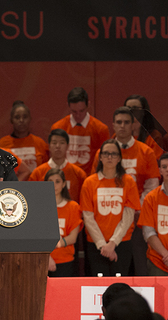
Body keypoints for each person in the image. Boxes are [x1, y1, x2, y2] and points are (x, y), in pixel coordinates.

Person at [90, 106, 160, 275]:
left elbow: (152, 186)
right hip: (106, 221)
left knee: (138, 267)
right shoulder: (102, 152)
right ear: (113, 124)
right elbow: (94, 186)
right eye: (119, 122)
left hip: (136, 218)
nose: (122, 126)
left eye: (126, 122)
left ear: (133, 125)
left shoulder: (146, 151)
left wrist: (137, 209)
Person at [80, 140, 141, 276]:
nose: (109, 157)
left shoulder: (128, 181)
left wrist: (112, 243)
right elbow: (88, 217)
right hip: (96, 245)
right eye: (106, 153)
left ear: (119, 158)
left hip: (122, 243)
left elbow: (129, 216)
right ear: (100, 157)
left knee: (119, 286)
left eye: (113, 154)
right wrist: (103, 245)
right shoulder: (89, 183)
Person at [50, 87, 110, 176]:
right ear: (68, 106)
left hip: (89, 178)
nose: (78, 115)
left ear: (88, 105)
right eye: (74, 111)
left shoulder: (100, 129)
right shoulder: (58, 127)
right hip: (64, 177)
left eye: (82, 111)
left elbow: (105, 160)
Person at [29, 129, 87, 203]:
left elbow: (84, 202)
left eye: (62, 143)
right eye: (54, 143)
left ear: (68, 146)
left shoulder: (79, 174)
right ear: (49, 146)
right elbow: (31, 200)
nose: (58, 146)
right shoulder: (37, 173)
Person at [45, 168, 82, 277]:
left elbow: (73, 237)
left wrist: (56, 244)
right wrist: (46, 256)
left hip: (65, 260)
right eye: (50, 181)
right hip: (43, 260)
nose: (54, 185)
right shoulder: (39, 207)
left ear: (64, 184)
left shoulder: (73, 207)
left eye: (57, 181)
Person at [0, 100, 48, 173]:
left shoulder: (40, 143)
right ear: (11, 120)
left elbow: (45, 170)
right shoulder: (2, 144)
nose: (21, 120)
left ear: (30, 118)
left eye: (25, 117)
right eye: (17, 117)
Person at [124, 94, 163, 158]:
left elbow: (153, 162)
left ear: (143, 112)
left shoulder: (155, 136)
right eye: (128, 108)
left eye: (135, 108)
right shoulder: (118, 135)